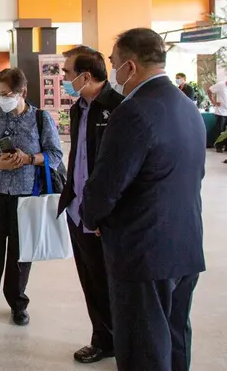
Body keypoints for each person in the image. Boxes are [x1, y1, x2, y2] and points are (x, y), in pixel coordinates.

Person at [82, 28, 206, 371]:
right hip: (184, 245)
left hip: (142, 252)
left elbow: (107, 183)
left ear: (131, 67)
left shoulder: (132, 111)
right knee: (175, 338)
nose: (113, 71)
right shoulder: (187, 106)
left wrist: (91, 218)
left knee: (143, 349)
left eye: (113, 62)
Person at [0, 68, 63, 326]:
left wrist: (29, 158)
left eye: (6, 94)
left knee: (22, 252)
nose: (1, 99)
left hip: (26, 195)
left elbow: (55, 154)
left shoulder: (41, 119)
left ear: (22, 92)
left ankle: (17, 303)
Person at [59, 46, 124, 364]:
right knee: (90, 278)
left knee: (109, 281)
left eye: (68, 72)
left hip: (104, 217)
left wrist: (103, 214)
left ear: (86, 75)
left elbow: (120, 170)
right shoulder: (78, 108)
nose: (64, 78)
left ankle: (118, 339)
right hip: (77, 209)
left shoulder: (119, 108)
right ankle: (102, 338)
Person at [209, 79, 227, 153]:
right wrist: (214, 102)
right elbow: (209, 91)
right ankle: (219, 146)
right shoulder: (220, 85)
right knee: (220, 130)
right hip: (221, 112)